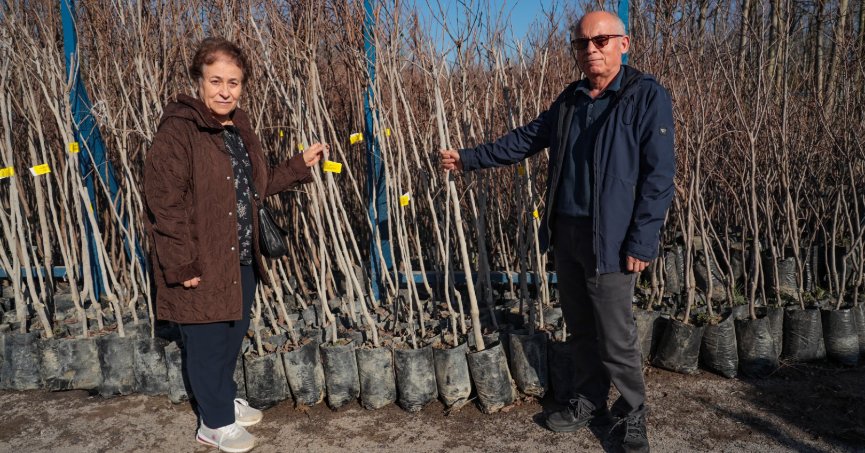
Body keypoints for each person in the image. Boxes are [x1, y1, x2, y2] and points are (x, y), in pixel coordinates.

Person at [441, 11, 674, 453]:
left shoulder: (645, 97)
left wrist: (643, 240)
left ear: (624, 44)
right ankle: (590, 400)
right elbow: (527, 138)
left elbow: (659, 176)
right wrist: (470, 158)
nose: (591, 50)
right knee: (581, 327)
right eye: (582, 43)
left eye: (601, 40)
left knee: (615, 334)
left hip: (612, 240)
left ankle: (632, 415)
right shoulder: (571, 99)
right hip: (567, 233)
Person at [144, 37, 326, 453]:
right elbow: (163, 203)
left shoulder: (237, 126)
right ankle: (213, 424)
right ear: (199, 81)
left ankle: (221, 401)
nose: (225, 90)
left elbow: (254, 188)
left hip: (240, 254)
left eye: (234, 82)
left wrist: (298, 166)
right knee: (207, 344)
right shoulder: (179, 131)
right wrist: (182, 264)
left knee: (230, 337)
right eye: (216, 81)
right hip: (201, 260)